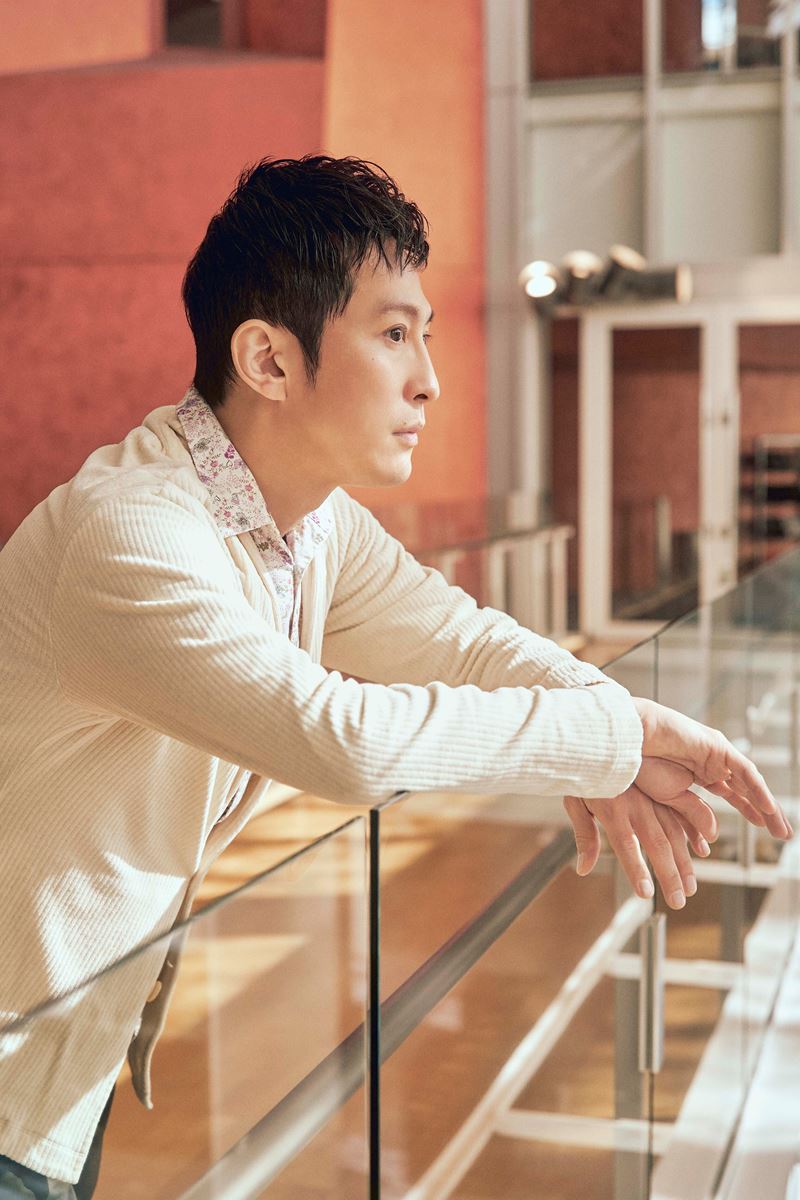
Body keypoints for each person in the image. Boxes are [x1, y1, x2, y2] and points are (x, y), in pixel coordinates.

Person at [0, 154, 790, 1197]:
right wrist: (610, 745)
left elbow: (458, 639)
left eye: (425, 334)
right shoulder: (133, 533)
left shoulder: (309, 526)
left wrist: (614, 722)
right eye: (392, 334)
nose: (428, 379)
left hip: (60, 1086)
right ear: (268, 360)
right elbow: (344, 741)